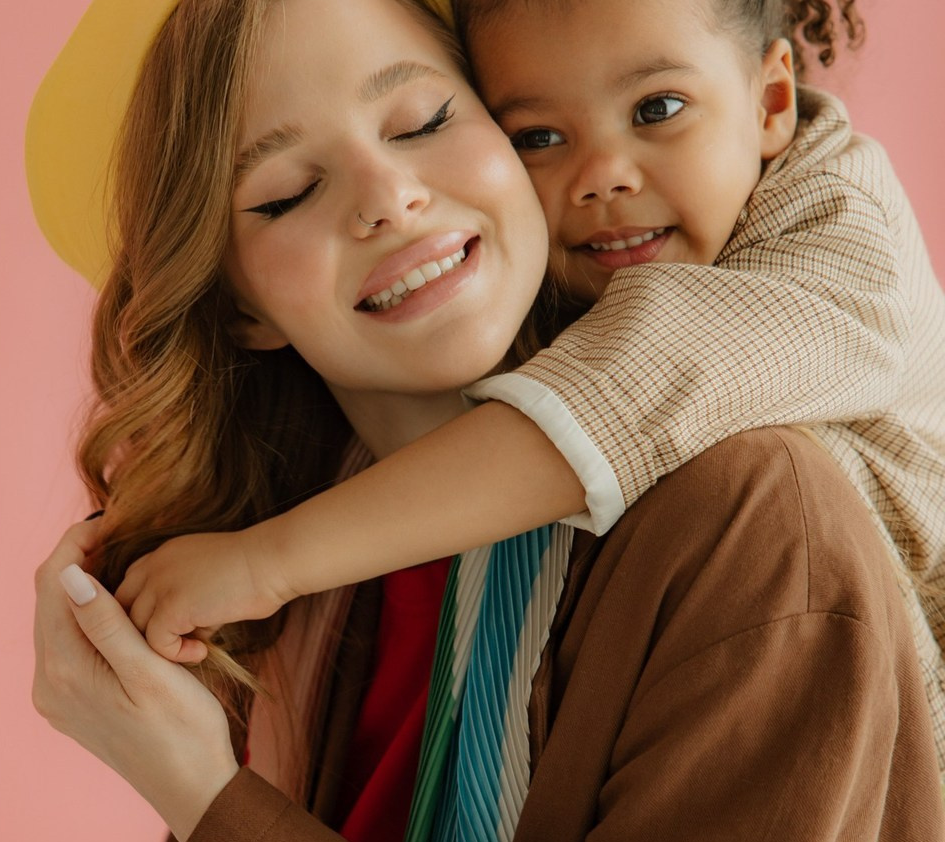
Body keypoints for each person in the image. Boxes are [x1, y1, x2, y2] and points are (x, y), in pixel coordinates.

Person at [0, 0, 945, 842]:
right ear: (240, 304)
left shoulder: (750, 518)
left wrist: (198, 792)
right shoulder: (306, 586)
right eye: (287, 191)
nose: (386, 198)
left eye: (421, 119)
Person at [113, 0, 945, 776]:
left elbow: (614, 400)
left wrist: (267, 562)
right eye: (539, 136)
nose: (601, 177)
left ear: (771, 102)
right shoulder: (340, 552)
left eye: (657, 110)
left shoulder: (840, 240)